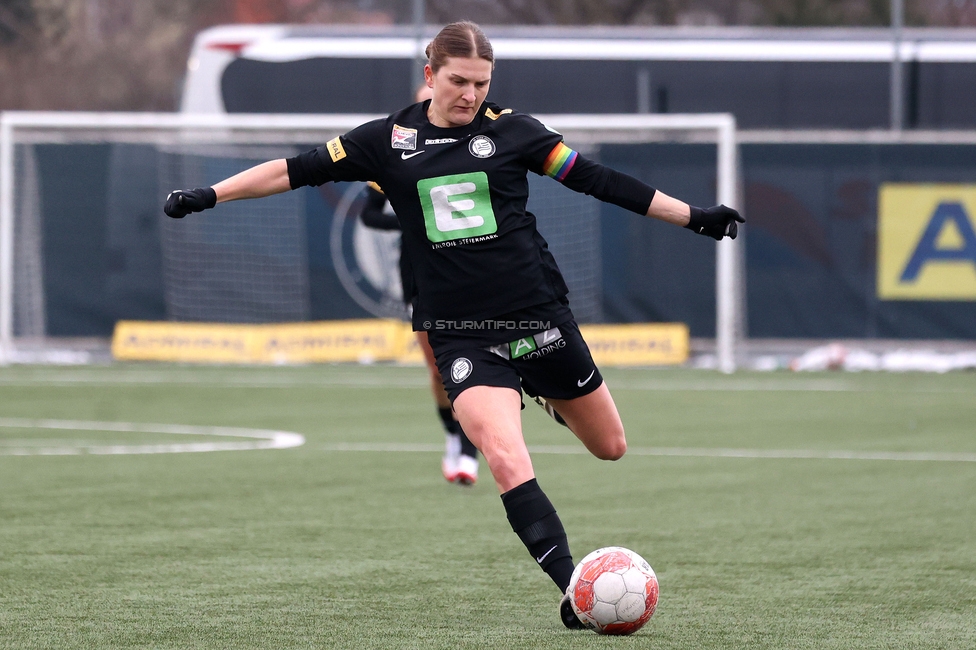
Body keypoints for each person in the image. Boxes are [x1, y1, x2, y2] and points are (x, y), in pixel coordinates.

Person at [164, 20, 743, 629]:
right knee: (503, 455)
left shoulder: (514, 132)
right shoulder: (384, 141)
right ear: (430, 75)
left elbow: (599, 180)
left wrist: (694, 217)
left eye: (481, 83)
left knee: (610, 447)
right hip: (460, 330)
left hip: (537, 314)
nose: (470, 95)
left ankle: (538, 389)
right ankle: (573, 587)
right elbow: (291, 169)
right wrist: (209, 193)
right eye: (459, 81)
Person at [356, 82, 480, 485]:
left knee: (480, 355)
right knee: (438, 366)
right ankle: (452, 436)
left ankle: (469, 447)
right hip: (420, 269)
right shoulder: (397, 151)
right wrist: (411, 223)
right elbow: (369, 214)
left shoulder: (478, 145)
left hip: (473, 265)